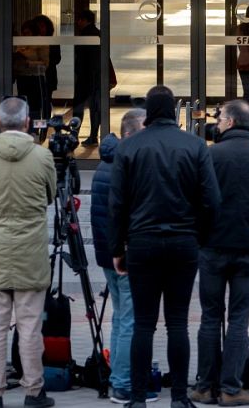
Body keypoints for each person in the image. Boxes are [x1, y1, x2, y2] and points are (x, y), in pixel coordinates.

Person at [109, 85, 221, 408]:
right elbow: (212, 200)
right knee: (177, 323)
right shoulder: (195, 146)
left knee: (143, 324)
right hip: (183, 243)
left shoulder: (129, 148)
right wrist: (200, 237)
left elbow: (117, 204)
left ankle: (137, 398)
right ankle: (179, 398)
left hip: (142, 243)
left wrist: (118, 248)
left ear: (149, 112)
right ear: (173, 110)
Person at [191, 99, 249, 407]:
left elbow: (196, 200)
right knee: (239, 318)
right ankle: (231, 387)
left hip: (213, 247)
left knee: (210, 316)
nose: (216, 124)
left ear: (230, 122)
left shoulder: (209, 155)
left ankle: (205, 386)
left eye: (219, 119)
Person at [0, 97, 58, 408]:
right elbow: (50, 195)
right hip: (29, 252)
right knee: (30, 327)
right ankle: (33, 391)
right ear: (27, 123)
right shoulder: (42, 156)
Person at [92, 107, 152, 406]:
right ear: (132, 133)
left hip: (109, 253)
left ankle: (119, 376)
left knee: (120, 318)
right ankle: (124, 384)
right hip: (125, 255)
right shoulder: (126, 166)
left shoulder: (106, 163)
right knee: (130, 319)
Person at [72, 9, 113, 146]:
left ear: (85, 20)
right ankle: (93, 135)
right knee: (95, 108)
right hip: (96, 76)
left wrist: (81, 74)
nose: (77, 22)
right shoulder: (97, 33)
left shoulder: (87, 35)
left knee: (80, 107)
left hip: (87, 77)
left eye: (79, 19)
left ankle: (75, 135)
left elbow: (85, 60)